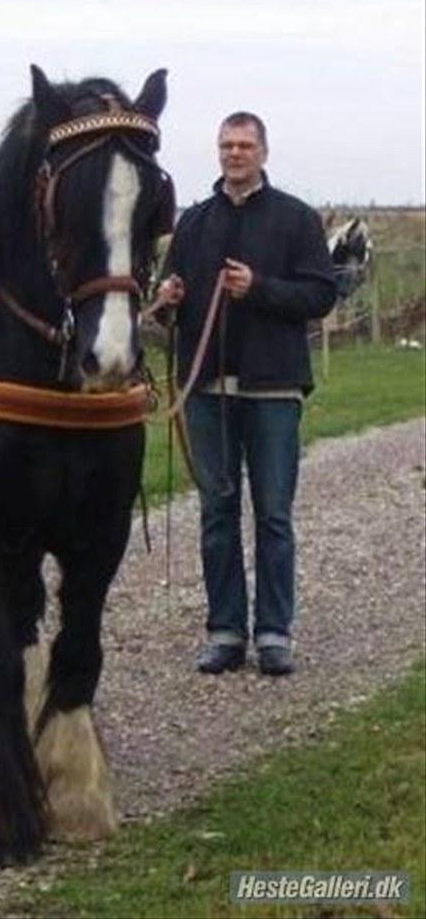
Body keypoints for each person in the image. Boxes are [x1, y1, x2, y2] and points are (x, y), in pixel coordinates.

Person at [157, 112, 336, 676]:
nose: (234, 154)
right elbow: (172, 302)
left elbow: (320, 294)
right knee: (217, 511)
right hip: (207, 386)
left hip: (273, 388)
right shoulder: (194, 223)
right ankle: (226, 630)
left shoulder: (296, 220)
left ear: (263, 152)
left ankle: (276, 632)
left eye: (244, 145)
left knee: (274, 513)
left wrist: (259, 289)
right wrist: (169, 295)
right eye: (226, 145)